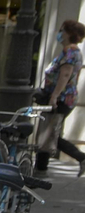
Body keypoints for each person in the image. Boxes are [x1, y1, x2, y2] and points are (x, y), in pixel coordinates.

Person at [35, 19, 85, 176]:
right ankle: (40, 169)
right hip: (62, 98)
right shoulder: (70, 51)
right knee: (48, 134)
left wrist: (54, 96)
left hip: (61, 99)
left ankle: (80, 158)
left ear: (70, 34)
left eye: (62, 30)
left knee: (49, 135)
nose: (60, 33)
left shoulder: (70, 52)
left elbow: (65, 74)